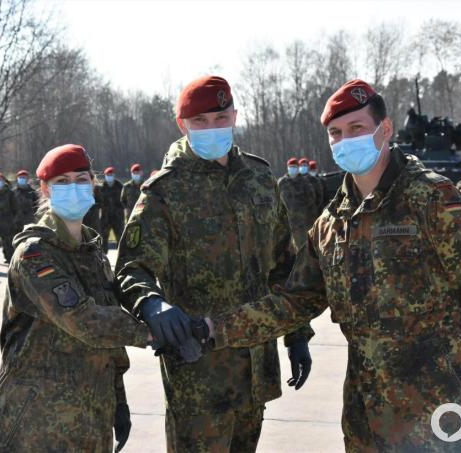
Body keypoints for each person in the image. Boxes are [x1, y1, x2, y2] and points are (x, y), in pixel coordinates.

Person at [192, 80, 461, 452]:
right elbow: (293, 302)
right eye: (336, 133)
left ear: (386, 129)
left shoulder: (434, 202)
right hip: (368, 419)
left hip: (443, 411)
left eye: (357, 128)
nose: (346, 140)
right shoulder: (332, 223)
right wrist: (213, 328)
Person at [115, 75, 314, 453]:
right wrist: (152, 304)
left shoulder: (258, 178)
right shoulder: (165, 191)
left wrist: (297, 335)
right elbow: (132, 268)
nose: (213, 128)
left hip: (255, 364)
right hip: (197, 372)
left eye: (220, 118)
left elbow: (284, 266)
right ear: (183, 125)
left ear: (235, 116)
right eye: (201, 121)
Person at [0, 144, 150, 453]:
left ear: (93, 184)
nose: (73, 188)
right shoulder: (34, 254)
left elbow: (108, 342)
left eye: (81, 179)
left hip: (89, 417)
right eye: (62, 182)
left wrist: (118, 399)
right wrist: (153, 331)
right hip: (36, 422)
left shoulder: (92, 252)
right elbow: (85, 321)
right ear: (44, 189)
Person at [278, 157, 318, 253]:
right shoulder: (282, 183)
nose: (293, 169)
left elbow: (312, 199)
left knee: (303, 248)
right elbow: (277, 200)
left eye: (295, 167)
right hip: (287, 223)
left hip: (302, 223)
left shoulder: (305, 182)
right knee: (288, 250)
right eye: (291, 167)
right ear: (287, 167)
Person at [98, 166, 125, 253]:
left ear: (114, 175)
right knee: (103, 239)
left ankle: (121, 258)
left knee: (121, 238)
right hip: (105, 218)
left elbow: (125, 201)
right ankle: (103, 258)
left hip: (118, 218)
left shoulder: (120, 186)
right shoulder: (101, 187)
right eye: (107, 175)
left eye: (111, 174)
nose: (109, 176)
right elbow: (98, 202)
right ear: (105, 175)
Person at [12, 170, 39, 235]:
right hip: (16, 224)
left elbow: (37, 207)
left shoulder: (33, 193)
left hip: (29, 223)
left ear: (27, 179)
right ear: (17, 178)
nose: (22, 179)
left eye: (24, 178)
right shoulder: (13, 192)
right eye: (20, 177)